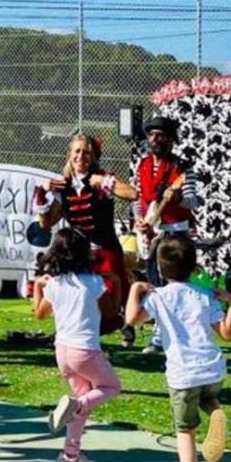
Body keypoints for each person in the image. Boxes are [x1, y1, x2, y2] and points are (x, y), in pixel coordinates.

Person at [125, 236, 231, 462]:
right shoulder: (204, 295)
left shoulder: (158, 297)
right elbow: (227, 334)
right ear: (194, 265)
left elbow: (131, 319)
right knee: (208, 397)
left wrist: (135, 289)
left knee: (185, 431)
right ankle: (215, 411)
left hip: (183, 373)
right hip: (212, 368)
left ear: (160, 270)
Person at [32, 228, 121, 462]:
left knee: (81, 406)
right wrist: (116, 283)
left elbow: (39, 314)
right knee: (111, 387)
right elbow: (112, 312)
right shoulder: (93, 283)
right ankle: (77, 405)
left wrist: (39, 286)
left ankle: (70, 456)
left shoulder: (55, 284)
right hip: (86, 349)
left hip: (62, 351)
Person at [35, 133, 138, 334]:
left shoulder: (101, 178)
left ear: (92, 156)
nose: (81, 156)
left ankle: (122, 324)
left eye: (86, 152)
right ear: (69, 154)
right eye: (77, 151)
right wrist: (41, 193)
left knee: (111, 297)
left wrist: (108, 183)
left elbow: (133, 194)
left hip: (105, 248)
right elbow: (46, 223)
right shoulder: (63, 186)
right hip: (77, 254)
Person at [133, 117, 200, 354]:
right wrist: (140, 219)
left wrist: (179, 197)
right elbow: (139, 199)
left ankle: (165, 336)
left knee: (173, 287)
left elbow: (194, 201)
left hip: (176, 233)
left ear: (171, 139)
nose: (155, 140)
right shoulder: (141, 166)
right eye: (151, 135)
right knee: (155, 285)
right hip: (153, 234)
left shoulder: (182, 168)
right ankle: (160, 333)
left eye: (160, 135)